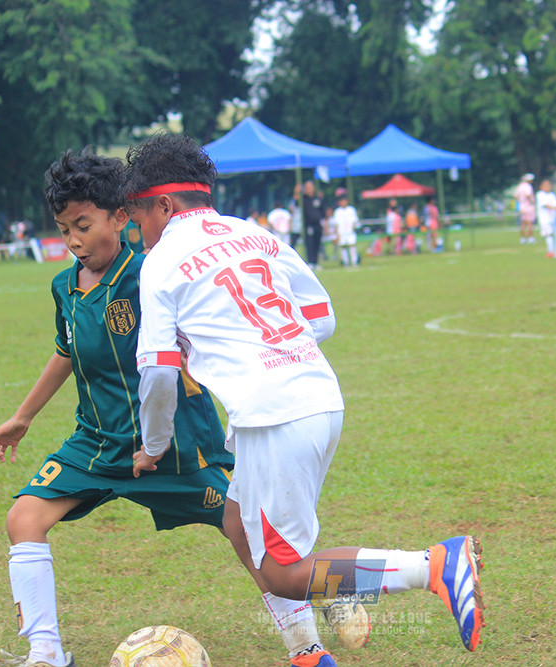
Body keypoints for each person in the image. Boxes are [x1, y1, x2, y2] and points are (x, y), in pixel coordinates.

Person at [0, 149, 366, 667]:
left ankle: (311, 633)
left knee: (245, 529)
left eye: (83, 224)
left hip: (176, 447)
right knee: (23, 518)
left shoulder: (152, 271)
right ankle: (46, 653)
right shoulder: (64, 287)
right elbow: (66, 351)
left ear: (122, 216)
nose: (73, 239)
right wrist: (23, 416)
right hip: (97, 443)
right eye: (63, 228)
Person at [124, 133, 484, 667]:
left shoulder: (160, 261)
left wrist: (152, 445)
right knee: (235, 522)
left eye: (138, 219)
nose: (139, 233)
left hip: (274, 415)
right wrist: (271, 347)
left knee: (286, 574)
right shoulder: (256, 235)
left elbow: (157, 368)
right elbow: (322, 315)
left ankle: (434, 565)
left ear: (163, 205)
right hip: (317, 395)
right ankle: (307, 653)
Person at [536, 179, 556, 258]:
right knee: (548, 234)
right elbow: (545, 205)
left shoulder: (552, 195)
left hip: (553, 218)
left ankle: (554, 251)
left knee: (553, 234)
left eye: (549, 186)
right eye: (545, 186)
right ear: (541, 187)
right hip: (545, 219)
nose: (547, 187)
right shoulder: (540, 194)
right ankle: (551, 251)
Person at [330, 187, 359, 267]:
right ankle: (346, 262)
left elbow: (354, 221)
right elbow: (336, 223)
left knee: (352, 246)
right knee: (343, 247)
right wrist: (336, 234)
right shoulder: (337, 212)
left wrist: (353, 228)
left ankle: (354, 262)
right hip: (341, 232)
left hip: (350, 232)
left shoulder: (351, 210)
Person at [301, 180, 323, 270]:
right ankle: (310, 261)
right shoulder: (303, 199)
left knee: (317, 243)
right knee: (310, 243)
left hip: (318, 224)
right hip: (308, 225)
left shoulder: (317, 199)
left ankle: (316, 262)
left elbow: (323, 210)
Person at [513, 173, 536, 244]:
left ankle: (523, 238)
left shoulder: (520, 186)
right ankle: (530, 237)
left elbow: (516, 196)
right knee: (529, 223)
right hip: (528, 207)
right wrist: (531, 202)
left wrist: (520, 202)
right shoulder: (527, 186)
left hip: (521, 207)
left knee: (523, 223)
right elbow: (528, 195)